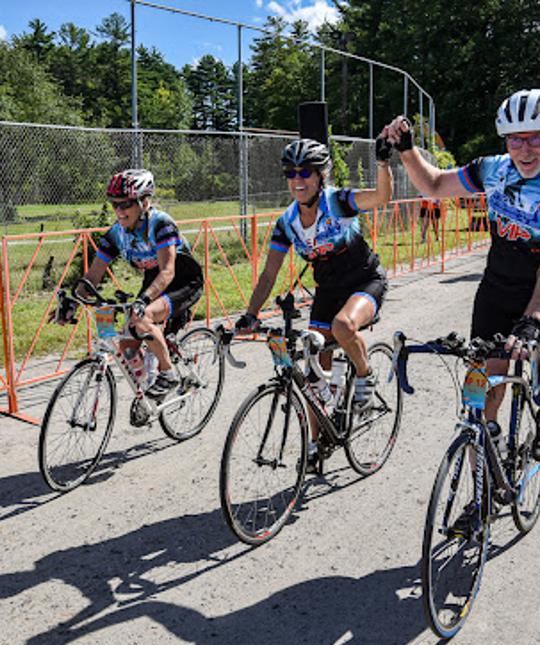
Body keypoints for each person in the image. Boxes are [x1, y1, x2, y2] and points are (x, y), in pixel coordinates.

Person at [383, 88, 540, 460]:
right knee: (480, 387)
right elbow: (433, 184)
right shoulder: (492, 169)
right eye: (515, 139)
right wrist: (407, 149)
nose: (524, 150)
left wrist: (532, 321)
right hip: (499, 283)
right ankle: (484, 475)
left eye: (535, 138)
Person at [233, 138, 393, 461]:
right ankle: (317, 443)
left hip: (365, 280)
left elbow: (381, 197)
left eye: (305, 172)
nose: (297, 180)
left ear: (321, 175)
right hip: (328, 291)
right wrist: (250, 314)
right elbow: (268, 275)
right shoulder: (287, 222)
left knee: (344, 325)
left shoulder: (338, 203)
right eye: (290, 173)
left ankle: (365, 374)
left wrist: (382, 163)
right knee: (311, 374)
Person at [55, 169, 204, 400]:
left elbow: (168, 271)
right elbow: (93, 275)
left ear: (144, 202)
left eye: (125, 204)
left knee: (141, 319)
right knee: (127, 344)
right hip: (153, 280)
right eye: (114, 204)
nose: (119, 211)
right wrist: (73, 301)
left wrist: (143, 301)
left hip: (182, 280)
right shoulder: (116, 233)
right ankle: (148, 390)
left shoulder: (160, 224)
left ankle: (168, 373)